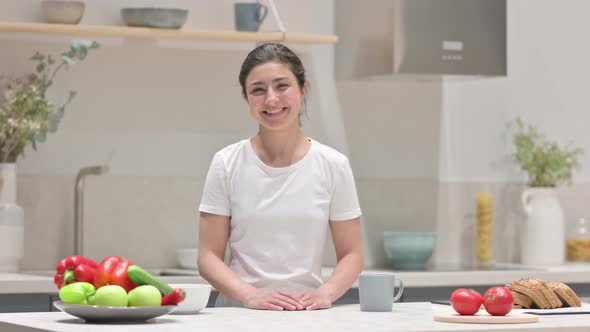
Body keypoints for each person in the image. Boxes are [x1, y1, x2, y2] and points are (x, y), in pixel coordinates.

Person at [197, 43, 363, 311]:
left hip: (305, 316)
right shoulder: (226, 163)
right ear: (246, 98)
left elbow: (352, 254)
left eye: (281, 86)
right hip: (239, 316)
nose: (271, 99)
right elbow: (207, 257)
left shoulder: (333, 165)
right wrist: (250, 295)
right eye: (258, 90)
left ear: (303, 89)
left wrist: (326, 294)